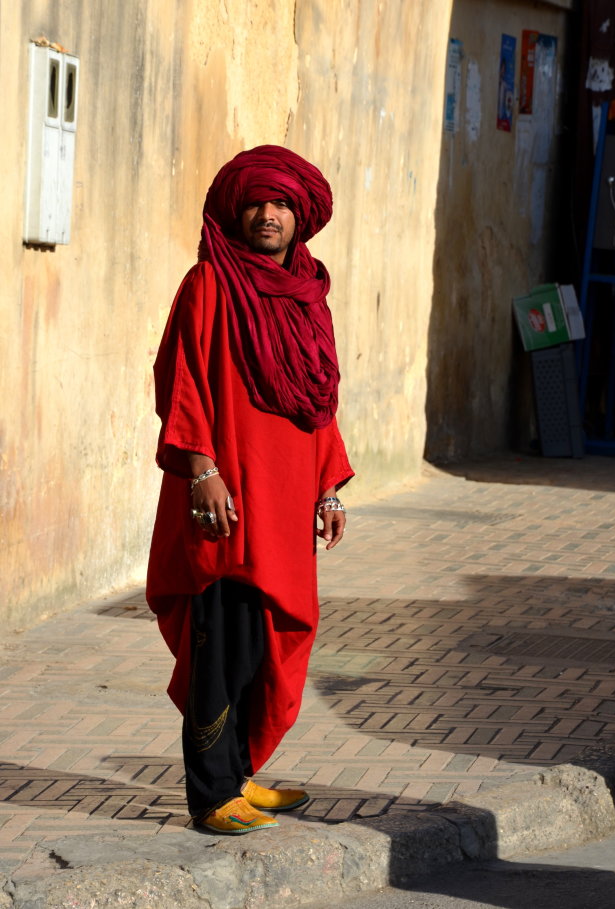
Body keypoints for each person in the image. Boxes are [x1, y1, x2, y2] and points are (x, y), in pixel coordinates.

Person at [146, 145, 353, 835]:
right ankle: (210, 795)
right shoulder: (208, 285)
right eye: (258, 203)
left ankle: (238, 774)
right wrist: (201, 466)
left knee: (264, 640)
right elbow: (182, 381)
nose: (269, 215)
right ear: (237, 211)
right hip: (227, 500)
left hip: (289, 500)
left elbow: (319, 400)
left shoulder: (309, 294)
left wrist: (328, 486)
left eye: (282, 205)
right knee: (222, 641)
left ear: (302, 217)